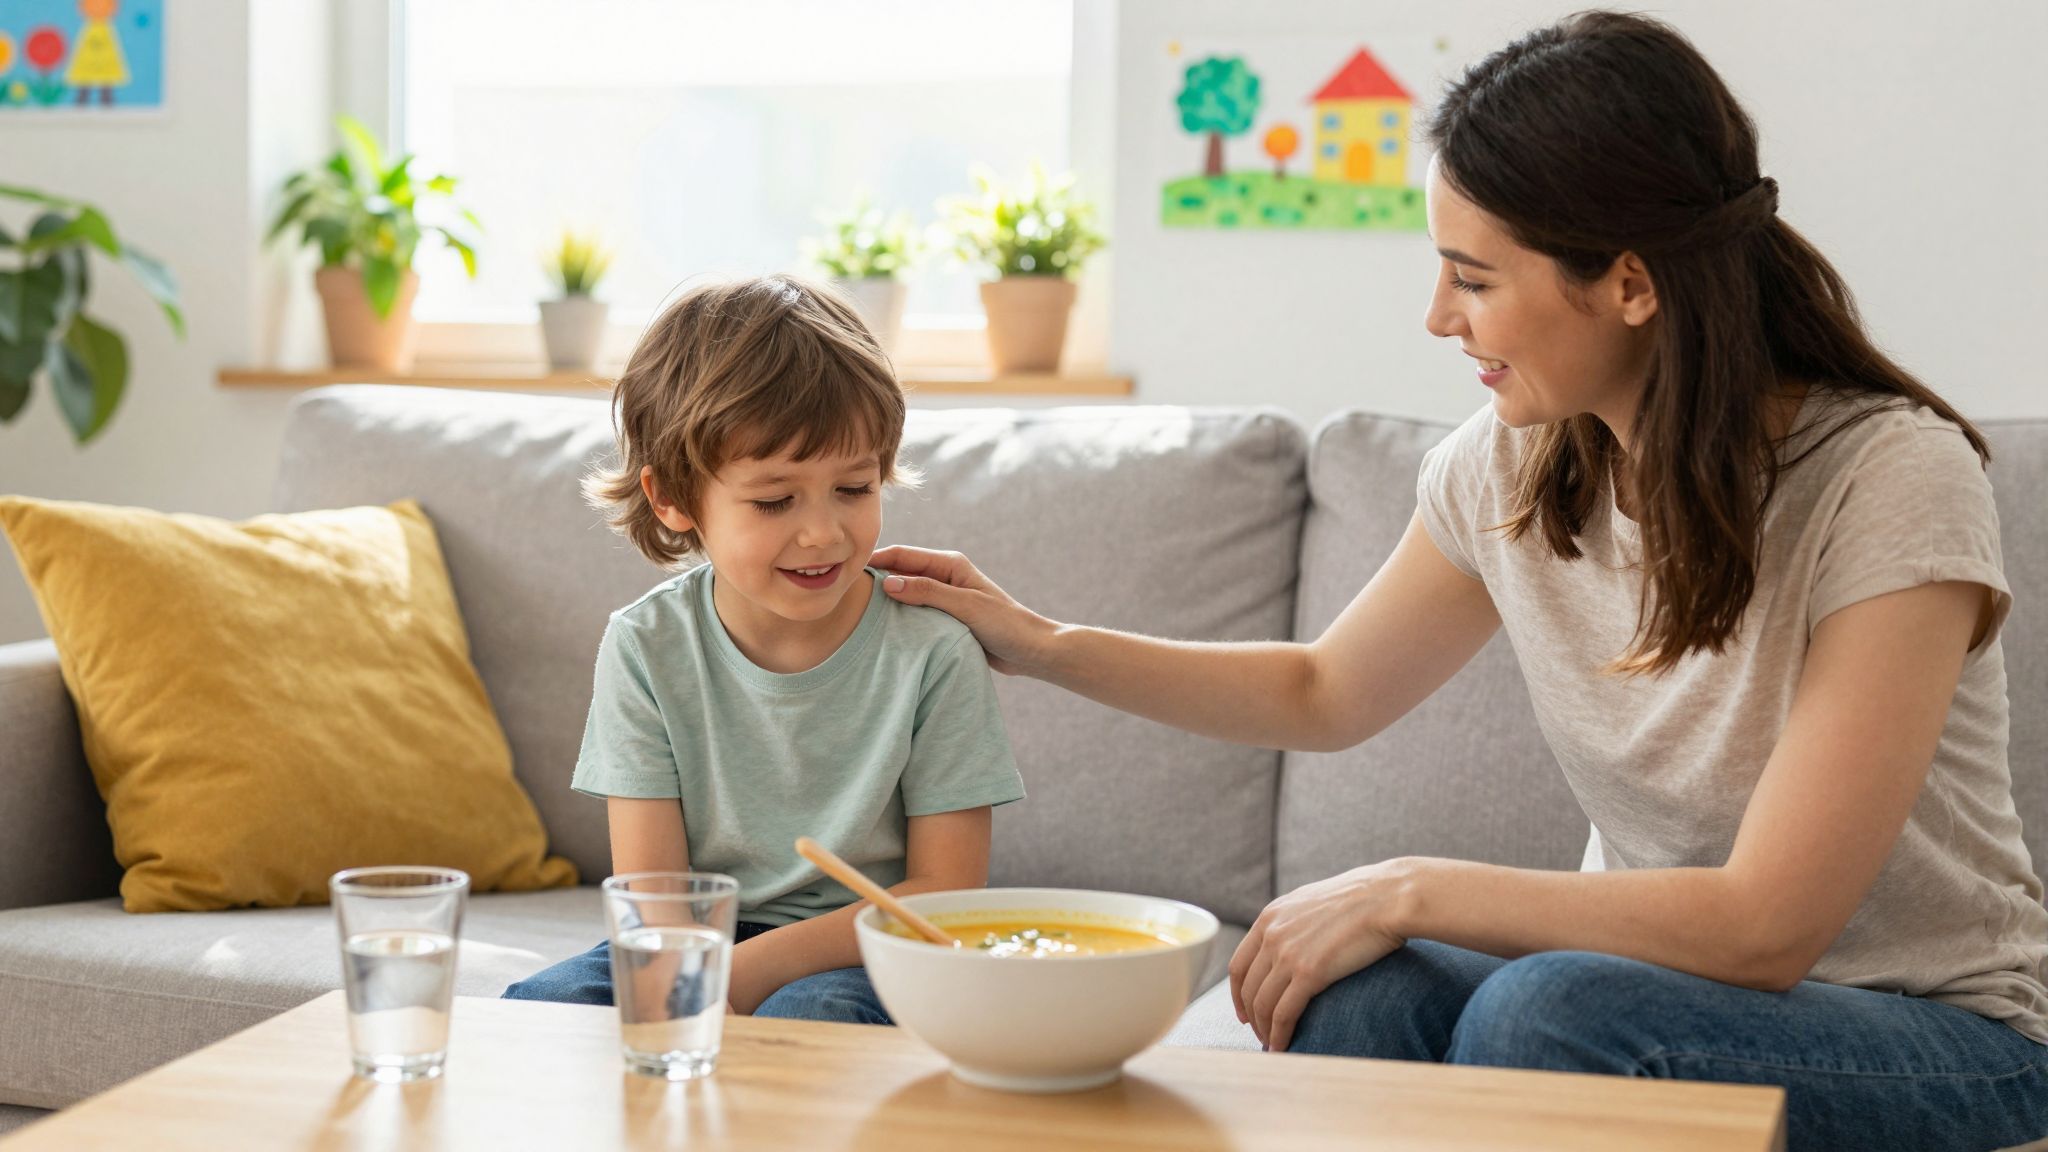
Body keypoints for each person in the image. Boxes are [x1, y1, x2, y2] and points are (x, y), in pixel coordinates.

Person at [872, 12, 2048, 1148]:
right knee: (1355, 991)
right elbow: (1322, 690)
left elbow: (1763, 927)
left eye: (1472, 279)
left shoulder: (1887, 478)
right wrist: (1041, 644)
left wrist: (1405, 886)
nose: (1436, 318)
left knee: (1546, 1014)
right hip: (1652, 995)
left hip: (1937, 1038)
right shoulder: (1514, 464)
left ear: (1629, 284)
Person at [503, 275, 1025, 1021]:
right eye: (774, 500)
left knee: (807, 1019)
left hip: (873, 948)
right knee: (541, 1010)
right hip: (697, 939)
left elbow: (943, 894)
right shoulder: (645, 645)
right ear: (670, 498)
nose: (823, 533)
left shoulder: (933, 648)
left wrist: (743, 971)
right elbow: (655, 898)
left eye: (855, 487)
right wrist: (696, 973)